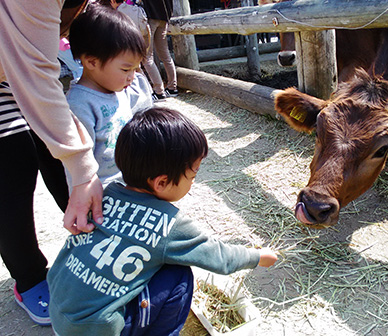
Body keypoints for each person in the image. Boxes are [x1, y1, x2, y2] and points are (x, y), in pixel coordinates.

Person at [47, 107, 278, 335]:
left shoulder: (106, 195)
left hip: (58, 311)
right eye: (193, 175)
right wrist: (257, 257)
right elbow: (220, 258)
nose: (193, 182)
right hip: (97, 329)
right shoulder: (169, 224)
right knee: (179, 276)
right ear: (161, 182)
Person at [0, 0, 105, 326]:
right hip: (13, 64)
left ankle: (95, 238)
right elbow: (33, 65)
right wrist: (83, 169)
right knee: (12, 163)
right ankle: (29, 276)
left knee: (52, 142)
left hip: (20, 59)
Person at [66, 4, 153, 188]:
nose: (132, 76)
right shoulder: (79, 104)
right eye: (125, 69)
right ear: (91, 62)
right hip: (102, 192)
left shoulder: (118, 89)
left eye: (135, 68)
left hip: (129, 183)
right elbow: (77, 164)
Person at [106, 0, 168, 100]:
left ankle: (148, 91)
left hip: (131, 41)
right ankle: (160, 91)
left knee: (136, 66)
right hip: (144, 35)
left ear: (112, 0)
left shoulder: (116, 15)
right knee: (148, 61)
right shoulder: (134, 8)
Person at [131, 0, 179, 96]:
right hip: (164, 16)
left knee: (147, 57)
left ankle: (159, 91)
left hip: (150, 15)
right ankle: (172, 87)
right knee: (165, 54)